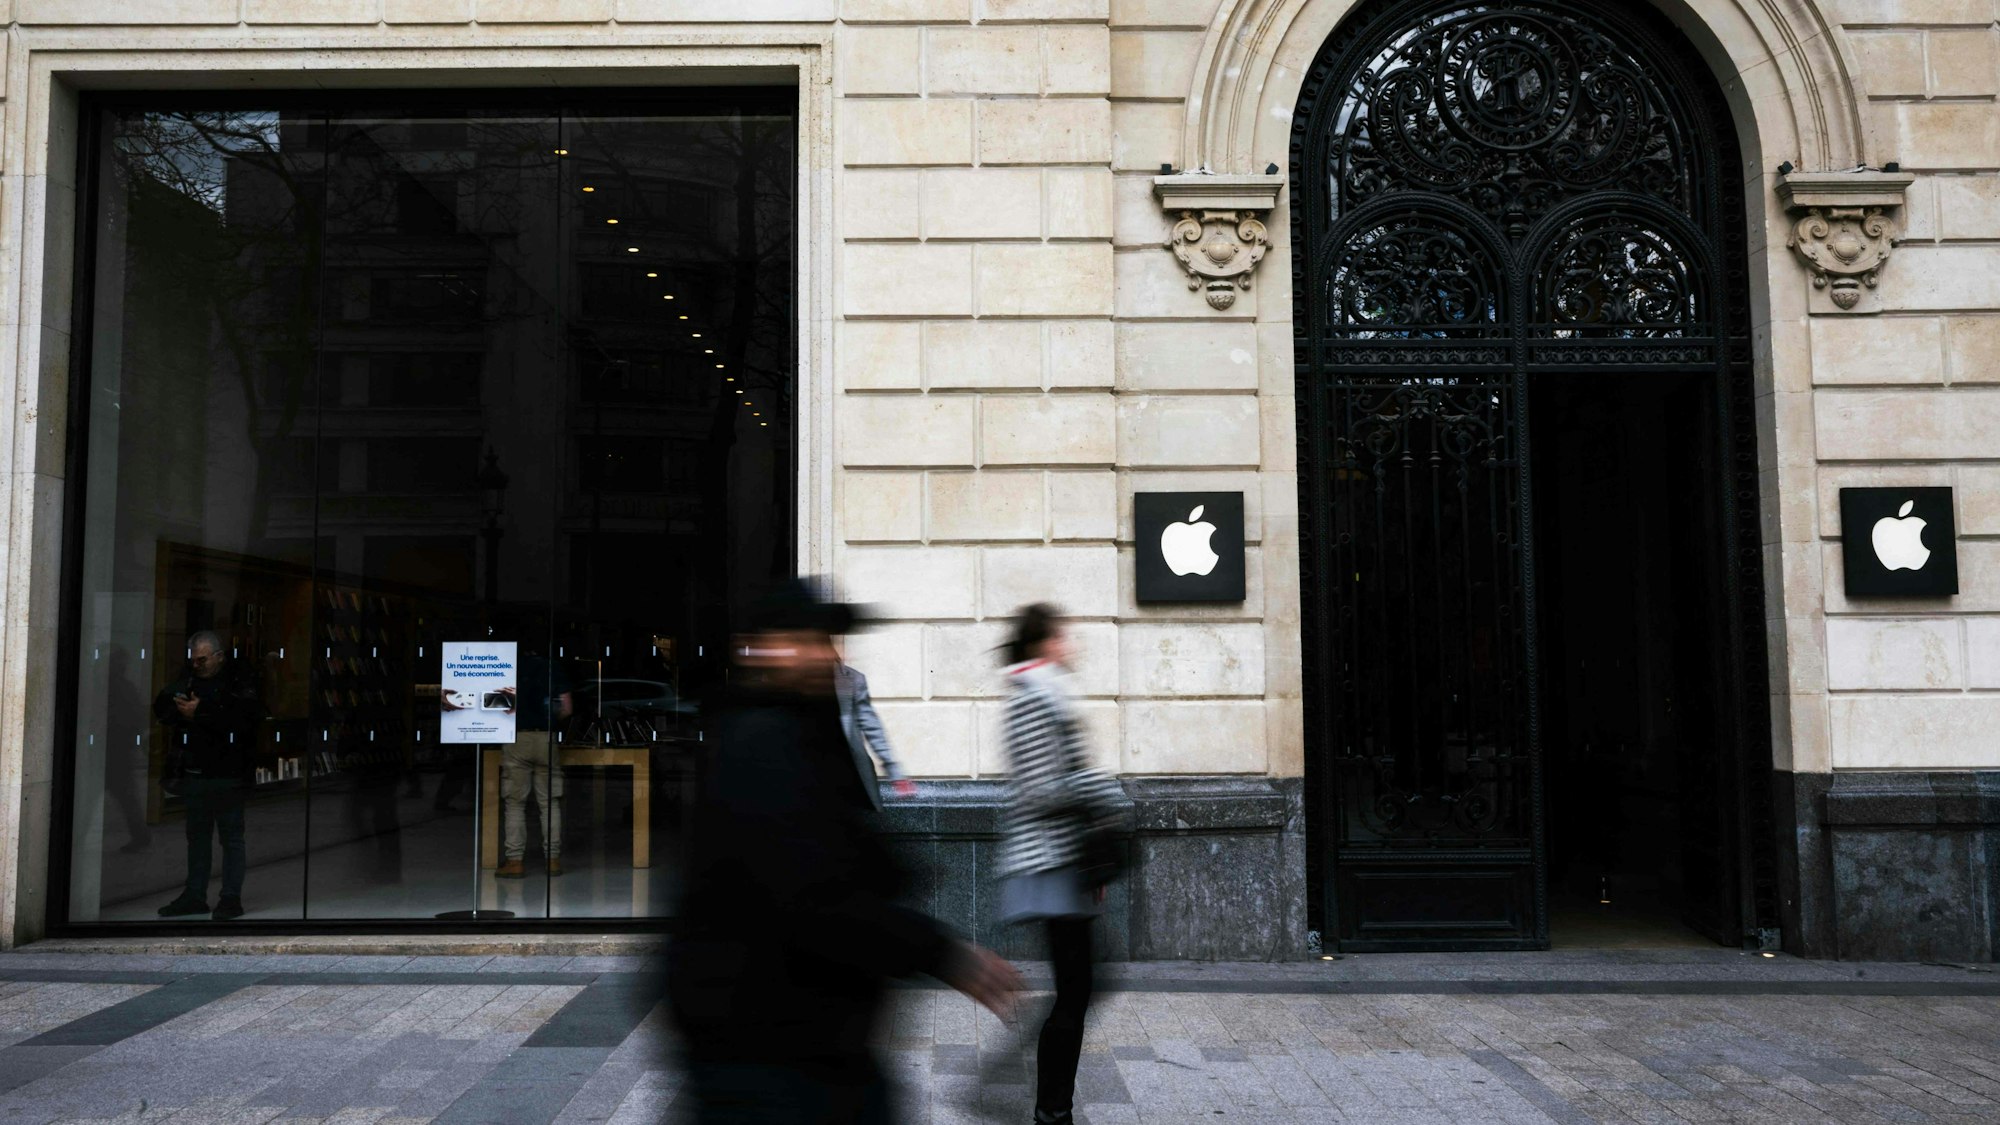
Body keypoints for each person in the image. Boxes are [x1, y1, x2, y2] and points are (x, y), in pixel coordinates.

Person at [667, 577, 1019, 1123]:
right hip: (770, 1049)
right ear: (760, 649)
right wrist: (939, 952)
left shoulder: (798, 728)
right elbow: (813, 895)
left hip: (810, 1042)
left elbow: (841, 840)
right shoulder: (759, 744)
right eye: (807, 640)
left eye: (827, 641)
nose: (824, 655)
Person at [997, 603, 1124, 1125]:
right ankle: (1052, 1109)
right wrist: (1102, 789)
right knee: (1079, 989)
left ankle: (1051, 1103)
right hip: (1046, 864)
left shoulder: (1049, 695)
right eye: (1061, 636)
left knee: (1082, 986)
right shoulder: (1032, 699)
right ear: (1041, 643)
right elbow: (1041, 788)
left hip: (1064, 862)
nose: (1068, 644)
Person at [151, 630, 266, 921]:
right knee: (198, 836)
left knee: (230, 836)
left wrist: (201, 712)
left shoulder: (238, 679)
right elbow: (162, 707)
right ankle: (195, 894)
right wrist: (179, 708)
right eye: (194, 660)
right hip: (195, 769)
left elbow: (246, 719)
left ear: (218, 656)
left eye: (203, 660)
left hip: (228, 771)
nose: (197, 665)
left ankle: (230, 897)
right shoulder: (188, 676)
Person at [497, 648, 572, 879]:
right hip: (546, 739)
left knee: (515, 803)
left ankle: (515, 861)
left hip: (516, 737)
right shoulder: (553, 668)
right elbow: (567, 708)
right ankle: (553, 860)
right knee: (549, 803)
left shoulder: (506, 666)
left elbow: (495, 704)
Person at [835, 660, 917, 811]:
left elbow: (872, 727)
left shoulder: (853, 679)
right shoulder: (791, 683)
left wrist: (894, 770)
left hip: (846, 775)